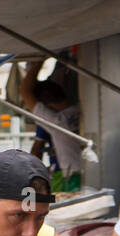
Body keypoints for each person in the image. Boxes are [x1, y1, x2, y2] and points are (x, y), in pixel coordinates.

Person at [22, 62, 83, 192]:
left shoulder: (57, 121)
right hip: (89, 171)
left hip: (72, 177)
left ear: (46, 105)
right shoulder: (80, 109)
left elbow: (25, 91)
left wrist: (40, 59)